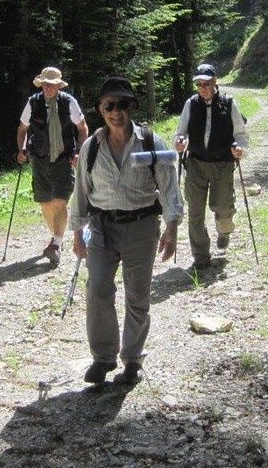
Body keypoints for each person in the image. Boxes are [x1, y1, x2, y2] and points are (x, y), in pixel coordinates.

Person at [70, 76, 183, 385]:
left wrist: (171, 228)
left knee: (137, 295)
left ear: (131, 107)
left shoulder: (150, 142)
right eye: (110, 106)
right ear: (100, 109)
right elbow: (80, 192)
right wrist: (77, 234)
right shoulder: (92, 147)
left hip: (142, 228)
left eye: (122, 105)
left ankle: (132, 359)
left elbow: (170, 188)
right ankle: (103, 358)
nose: (116, 112)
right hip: (102, 228)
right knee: (97, 290)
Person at [174, 64, 248, 269]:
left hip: (223, 164)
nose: (203, 87)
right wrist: (180, 141)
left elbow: (240, 135)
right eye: (199, 84)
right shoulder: (191, 104)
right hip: (196, 164)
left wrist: (240, 149)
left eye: (206, 83)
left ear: (215, 81)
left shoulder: (228, 103)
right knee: (195, 213)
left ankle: (224, 232)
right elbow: (180, 132)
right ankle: (201, 256)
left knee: (222, 208)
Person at [17, 67, 89, 265]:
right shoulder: (33, 103)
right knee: (45, 202)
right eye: (45, 84)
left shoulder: (68, 102)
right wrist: (22, 149)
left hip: (63, 159)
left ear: (58, 85)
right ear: (41, 85)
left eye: (52, 84)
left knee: (59, 200)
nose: (48, 88)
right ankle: (57, 236)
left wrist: (79, 152)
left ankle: (56, 244)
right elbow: (23, 129)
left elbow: (82, 128)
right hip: (39, 159)